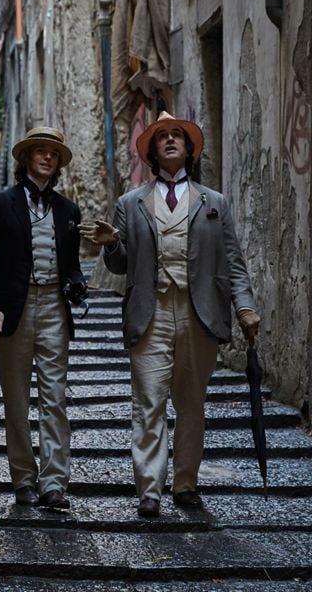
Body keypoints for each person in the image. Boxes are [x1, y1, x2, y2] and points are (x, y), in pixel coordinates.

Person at [79, 111, 260, 518]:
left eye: (179, 135)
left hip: (200, 313)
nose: (172, 140)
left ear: (190, 149)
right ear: (153, 152)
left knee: (192, 402)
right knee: (148, 400)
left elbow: (233, 261)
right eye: (164, 137)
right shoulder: (131, 202)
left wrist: (245, 307)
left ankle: (185, 483)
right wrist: (111, 245)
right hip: (151, 310)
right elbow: (121, 266)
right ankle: (149, 488)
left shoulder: (215, 203)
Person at [0, 127, 85, 510]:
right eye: (39, 151)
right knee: (16, 400)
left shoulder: (69, 210)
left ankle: (54, 483)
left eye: (53, 152)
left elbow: (72, 265)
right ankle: (23, 479)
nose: (47, 157)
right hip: (14, 310)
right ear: (26, 158)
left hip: (54, 307)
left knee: (55, 398)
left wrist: (76, 283)